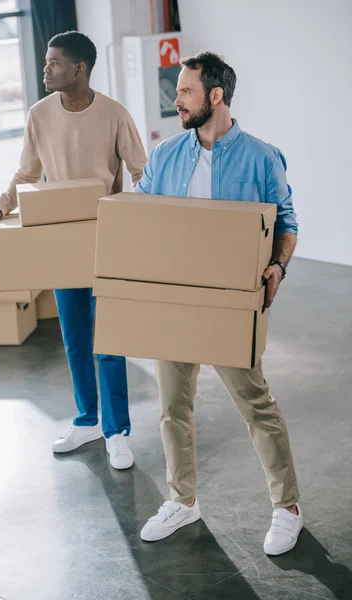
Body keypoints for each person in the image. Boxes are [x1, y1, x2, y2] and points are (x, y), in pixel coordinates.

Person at [135, 51, 302, 555]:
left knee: (255, 405)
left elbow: (287, 221)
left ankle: (287, 507)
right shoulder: (165, 155)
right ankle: (183, 501)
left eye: (185, 92)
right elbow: (137, 212)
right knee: (172, 406)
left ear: (215, 96)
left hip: (230, 302)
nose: (176, 100)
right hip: (175, 301)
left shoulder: (261, 155)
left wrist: (278, 266)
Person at [0, 31, 147, 469]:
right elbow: (26, 172)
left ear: (79, 69)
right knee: (76, 338)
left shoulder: (115, 114)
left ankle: (117, 432)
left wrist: (141, 221)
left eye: (54, 62)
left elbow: (141, 171)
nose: (46, 69)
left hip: (106, 240)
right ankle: (87, 420)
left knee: (109, 340)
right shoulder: (39, 115)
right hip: (61, 243)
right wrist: (2, 206)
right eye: (46, 62)